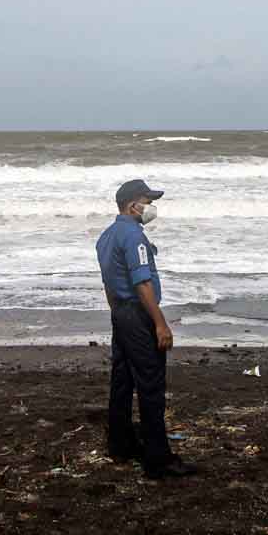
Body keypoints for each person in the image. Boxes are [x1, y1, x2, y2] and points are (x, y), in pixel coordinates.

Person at [95, 179, 197, 480]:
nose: (151, 207)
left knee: (123, 380)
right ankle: (158, 460)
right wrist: (159, 323)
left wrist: (118, 314)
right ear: (132, 205)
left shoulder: (106, 236)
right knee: (151, 386)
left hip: (121, 314)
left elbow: (108, 282)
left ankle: (121, 444)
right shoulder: (134, 237)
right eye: (147, 201)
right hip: (139, 315)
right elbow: (142, 283)